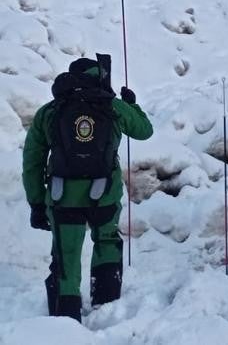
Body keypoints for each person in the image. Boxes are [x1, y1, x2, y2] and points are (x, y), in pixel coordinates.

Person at [23, 56, 153, 322]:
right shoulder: (112, 106)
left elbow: (32, 161)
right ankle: (105, 306)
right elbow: (144, 131)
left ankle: (65, 319)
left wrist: (37, 202)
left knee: (65, 255)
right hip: (104, 193)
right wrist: (132, 105)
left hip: (63, 196)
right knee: (106, 241)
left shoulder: (51, 111)